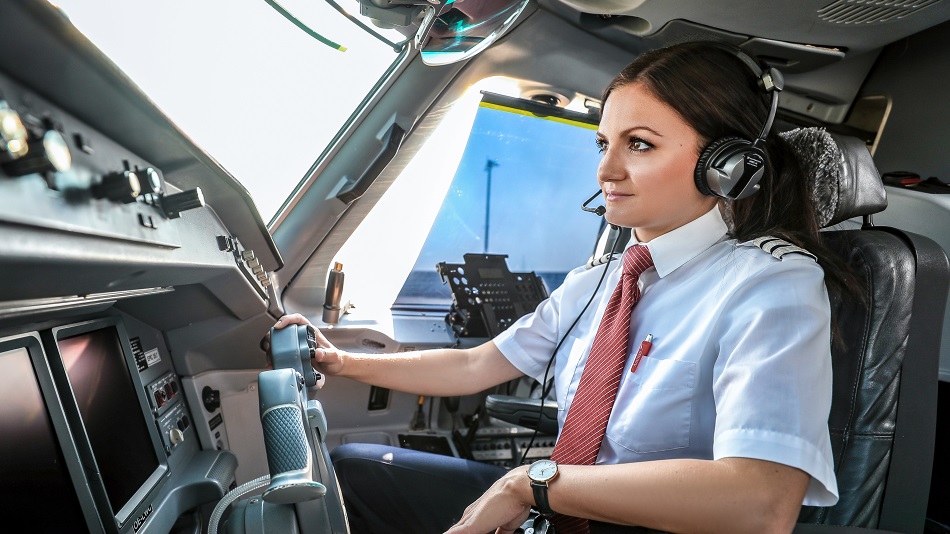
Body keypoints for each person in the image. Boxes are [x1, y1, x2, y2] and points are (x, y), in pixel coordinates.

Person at [272, 41, 859, 534]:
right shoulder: (606, 277)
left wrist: (530, 483)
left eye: (641, 144)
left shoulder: (772, 284)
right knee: (355, 466)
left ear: (725, 166)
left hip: (634, 523)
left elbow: (762, 502)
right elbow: (476, 366)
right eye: (604, 143)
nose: (606, 171)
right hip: (559, 511)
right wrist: (340, 360)